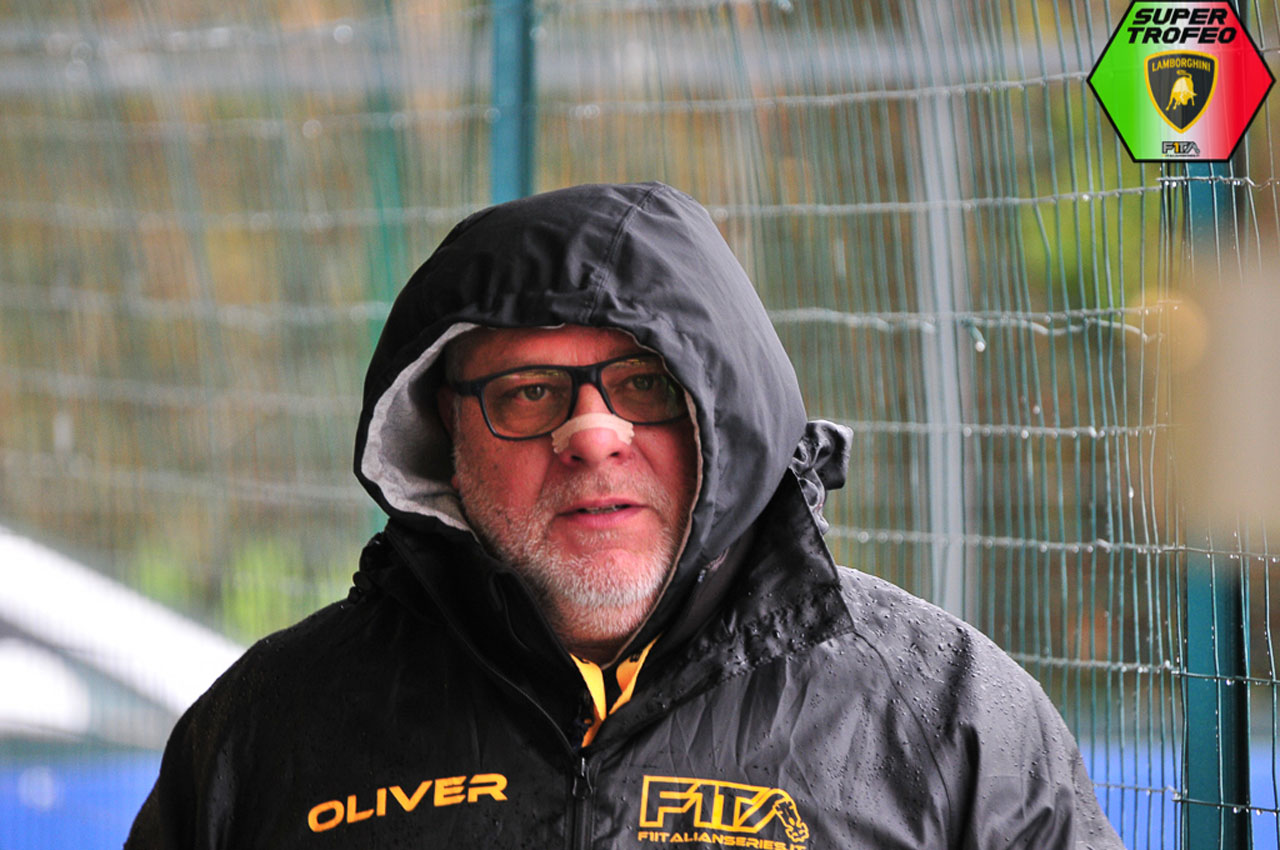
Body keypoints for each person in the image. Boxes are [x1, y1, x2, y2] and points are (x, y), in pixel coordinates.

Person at [127, 181, 1124, 849]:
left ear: (726, 417)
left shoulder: (947, 720)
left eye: (645, 383)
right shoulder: (272, 730)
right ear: (445, 433)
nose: (592, 434)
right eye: (527, 393)